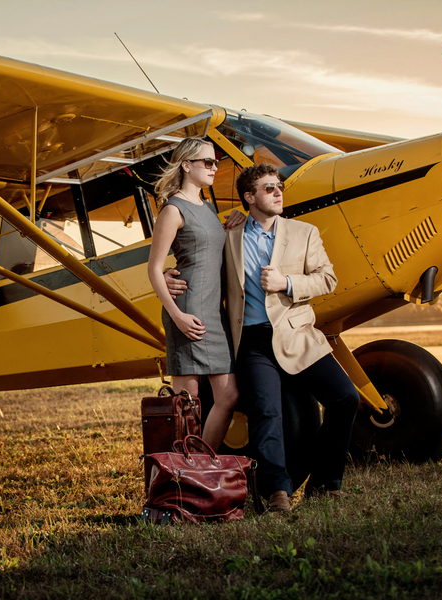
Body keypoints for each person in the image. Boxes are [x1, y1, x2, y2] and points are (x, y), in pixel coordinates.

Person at [167, 163, 358, 513]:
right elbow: (200, 263)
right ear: (249, 197)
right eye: (269, 188)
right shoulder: (230, 235)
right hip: (253, 340)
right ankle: (277, 493)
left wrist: (286, 283)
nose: (278, 192)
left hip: (298, 334)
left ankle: (325, 483)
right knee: (266, 411)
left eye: (279, 186)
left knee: (346, 398)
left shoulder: (305, 232)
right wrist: (169, 275)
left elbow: (326, 279)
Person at [147, 137, 239, 451]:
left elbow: (210, 248)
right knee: (188, 403)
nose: (215, 167)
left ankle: (199, 463)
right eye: (207, 162)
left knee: (228, 397)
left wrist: (235, 222)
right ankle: (182, 476)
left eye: (216, 162)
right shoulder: (173, 209)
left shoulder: (207, 208)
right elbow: (155, 268)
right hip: (187, 310)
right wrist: (177, 315)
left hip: (214, 312)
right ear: (186, 165)